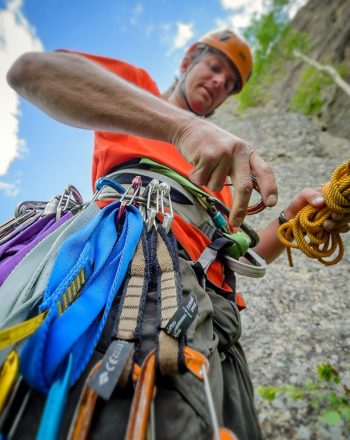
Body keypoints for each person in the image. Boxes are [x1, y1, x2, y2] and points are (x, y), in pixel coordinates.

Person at [6, 29, 349, 440]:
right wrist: (182, 128)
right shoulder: (136, 97)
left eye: (230, 84)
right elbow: (32, 71)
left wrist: (290, 224)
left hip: (216, 324)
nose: (220, 82)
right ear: (187, 62)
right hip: (130, 271)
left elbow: (233, 255)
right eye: (215, 67)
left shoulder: (217, 169)